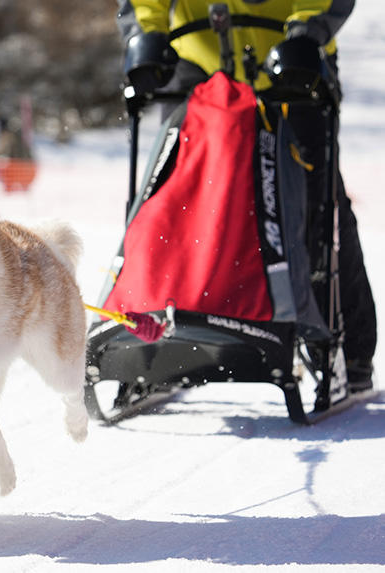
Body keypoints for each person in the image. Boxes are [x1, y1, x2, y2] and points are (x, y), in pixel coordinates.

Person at [115, 0, 376, 391]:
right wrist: (146, 31)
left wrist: (308, 28)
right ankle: (164, 321)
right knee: (178, 198)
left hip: (293, 60)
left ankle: (346, 347)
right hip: (196, 64)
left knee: (311, 204)